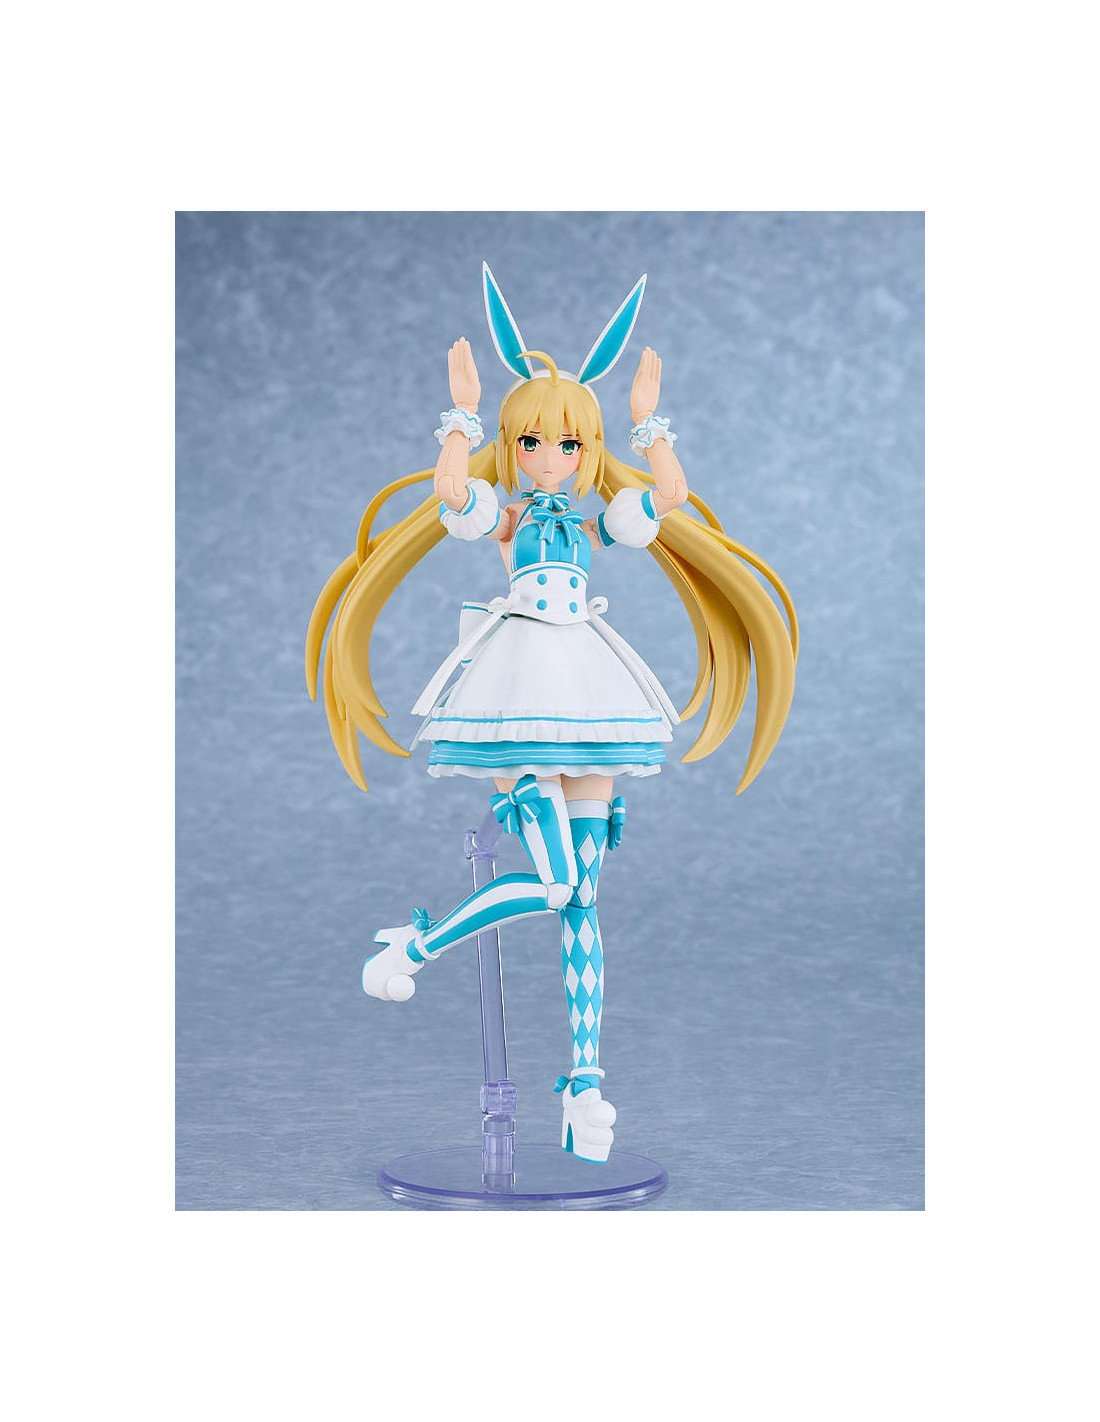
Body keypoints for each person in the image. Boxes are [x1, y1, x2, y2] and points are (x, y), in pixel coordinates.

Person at [306, 265, 798, 1161]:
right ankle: (415, 945)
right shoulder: (506, 514)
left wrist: (649, 419)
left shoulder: (592, 519)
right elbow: (451, 493)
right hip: (523, 689)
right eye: (532, 441)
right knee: (560, 883)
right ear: (513, 443)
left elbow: (669, 496)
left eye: (567, 444)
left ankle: (584, 1085)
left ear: (587, 448)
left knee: (585, 904)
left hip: (589, 691)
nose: (549, 457)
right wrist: (461, 414)